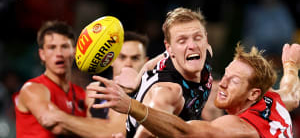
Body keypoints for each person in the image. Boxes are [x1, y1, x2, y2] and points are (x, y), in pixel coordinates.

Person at [88, 43, 300, 138]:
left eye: (233, 81)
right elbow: (292, 92)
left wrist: (131, 106)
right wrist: (290, 65)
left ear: (253, 94)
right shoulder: (273, 101)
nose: (222, 84)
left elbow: (182, 132)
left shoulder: (239, 127)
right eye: (225, 74)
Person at [108, 7, 214, 138]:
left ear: (206, 39)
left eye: (197, 37)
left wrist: (136, 82)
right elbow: (146, 133)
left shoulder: (206, 52)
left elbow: (152, 62)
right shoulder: (168, 92)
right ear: (170, 48)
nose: (192, 45)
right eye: (182, 41)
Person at [13, 20, 87, 137]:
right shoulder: (32, 89)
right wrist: (95, 128)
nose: (59, 53)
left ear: (74, 52)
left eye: (65, 46)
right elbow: (57, 126)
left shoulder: (82, 95)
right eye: (52, 47)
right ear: (42, 54)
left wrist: (60, 116)